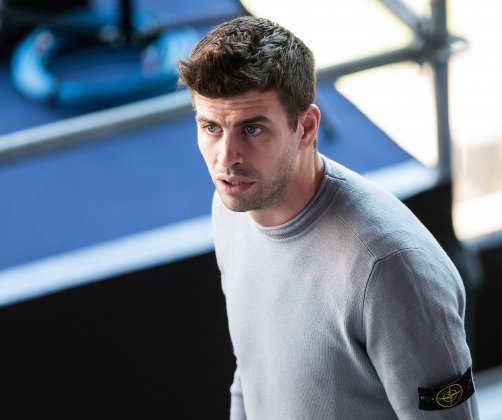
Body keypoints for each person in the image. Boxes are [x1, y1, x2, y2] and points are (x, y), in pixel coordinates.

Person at [177, 16, 478, 419]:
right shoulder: (231, 208)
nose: (226, 158)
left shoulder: (389, 268)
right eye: (211, 127)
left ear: (306, 128)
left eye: (251, 129)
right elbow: (250, 373)